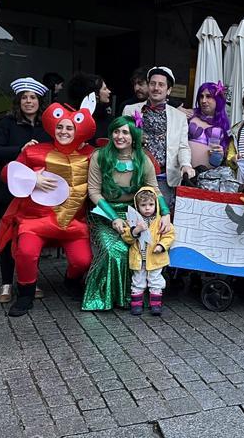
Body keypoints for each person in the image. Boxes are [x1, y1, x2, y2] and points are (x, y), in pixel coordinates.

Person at [0, 102, 97, 316]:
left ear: (79, 129)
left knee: (83, 261)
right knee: (26, 252)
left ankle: (71, 281)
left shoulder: (91, 155)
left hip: (73, 224)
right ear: (53, 127)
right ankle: (26, 293)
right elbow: (6, 173)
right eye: (60, 127)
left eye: (69, 127)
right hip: (35, 221)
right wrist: (32, 178)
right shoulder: (34, 151)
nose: (64, 131)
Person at [83, 115, 166, 311]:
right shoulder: (99, 156)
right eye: (116, 131)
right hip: (104, 213)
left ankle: (133, 296)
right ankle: (105, 297)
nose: (120, 136)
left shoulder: (143, 160)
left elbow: (155, 189)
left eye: (125, 132)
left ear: (134, 136)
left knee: (137, 250)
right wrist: (113, 218)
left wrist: (166, 214)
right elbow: (93, 191)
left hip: (135, 215)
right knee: (115, 251)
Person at [0, 77, 52, 303]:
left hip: (37, 192)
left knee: (31, 239)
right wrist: (20, 149)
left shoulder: (47, 127)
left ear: (39, 101)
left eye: (33, 97)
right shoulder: (6, 123)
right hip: (8, 190)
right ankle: (6, 284)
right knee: (7, 238)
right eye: (24, 97)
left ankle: (29, 282)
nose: (28, 101)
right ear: (18, 101)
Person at [122, 66, 194, 206]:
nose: (156, 88)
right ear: (148, 86)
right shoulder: (130, 110)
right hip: (134, 175)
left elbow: (183, 146)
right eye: (153, 83)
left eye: (161, 85)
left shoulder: (179, 117)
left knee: (160, 220)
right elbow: (120, 140)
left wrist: (186, 164)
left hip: (163, 178)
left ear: (169, 90)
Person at [121, 186, 175, 316]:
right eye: (143, 205)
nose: (147, 208)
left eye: (151, 204)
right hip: (139, 259)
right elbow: (126, 236)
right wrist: (136, 230)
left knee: (156, 280)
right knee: (138, 281)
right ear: (137, 206)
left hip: (155, 258)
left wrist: (161, 246)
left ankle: (156, 305)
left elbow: (170, 235)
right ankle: (136, 304)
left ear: (156, 205)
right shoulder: (132, 220)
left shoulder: (160, 221)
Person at [188, 81, 230, 169]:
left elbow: (226, 158)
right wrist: (178, 110)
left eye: (208, 96)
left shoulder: (224, 124)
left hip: (209, 177)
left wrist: (221, 155)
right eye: (201, 96)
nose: (203, 100)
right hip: (185, 173)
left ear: (217, 99)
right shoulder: (190, 115)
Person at [66, 73, 113, 145]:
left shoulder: (107, 116)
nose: (109, 91)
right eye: (105, 89)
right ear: (95, 94)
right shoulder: (74, 118)